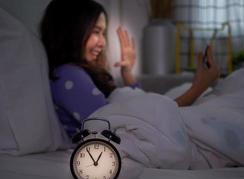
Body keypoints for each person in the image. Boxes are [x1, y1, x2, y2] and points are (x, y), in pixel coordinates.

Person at [40, 0, 220, 138]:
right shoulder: (68, 75)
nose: (102, 42)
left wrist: (127, 73)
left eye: (103, 33)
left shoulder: (78, 74)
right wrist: (198, 87)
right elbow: (125, 123)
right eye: (96, 31)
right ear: (71, 30)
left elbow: (135, 110)